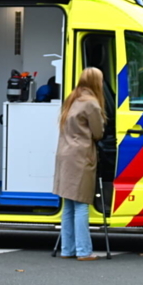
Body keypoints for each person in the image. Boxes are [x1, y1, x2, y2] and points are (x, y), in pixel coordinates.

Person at [53, 67, 106, 261]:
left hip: (65, 155)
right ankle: (84, 251)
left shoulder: (71, 99)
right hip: (81, 156)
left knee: (69, 204)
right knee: (82, 204)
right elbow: (98, 132)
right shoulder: (91, 104)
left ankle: (68, 249)